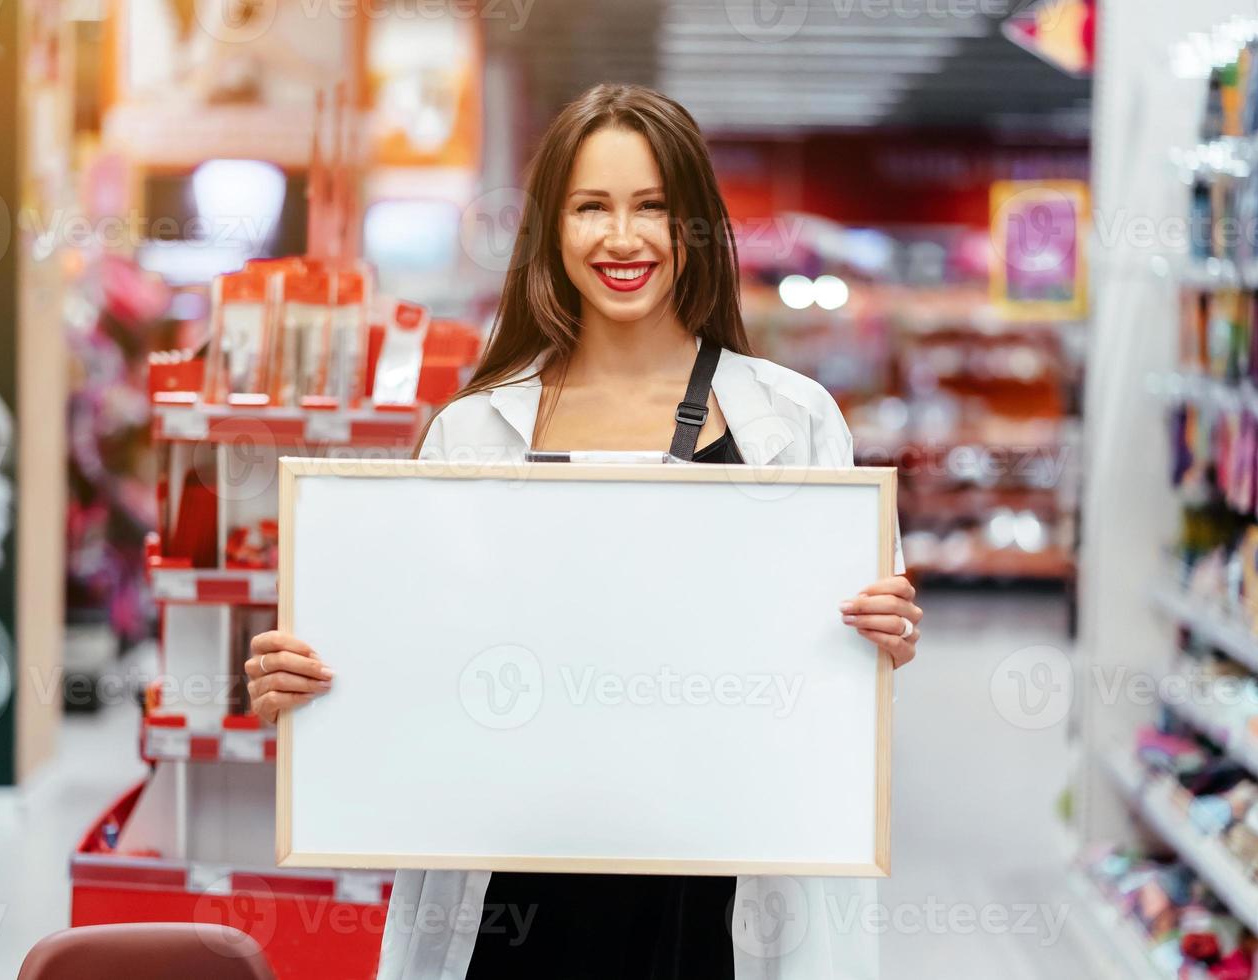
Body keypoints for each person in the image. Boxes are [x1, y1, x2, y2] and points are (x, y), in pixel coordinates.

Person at [245, 83, 921, 980]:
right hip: (517, 899)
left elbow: (844, 687)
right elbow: (419, 657)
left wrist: (885, 639)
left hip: (716, 895)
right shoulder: (473, 433)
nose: (623, 238)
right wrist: (310, 690)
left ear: (696, 229)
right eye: (591, 207)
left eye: (653, 208)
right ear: (551, 231)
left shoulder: (792, 422)